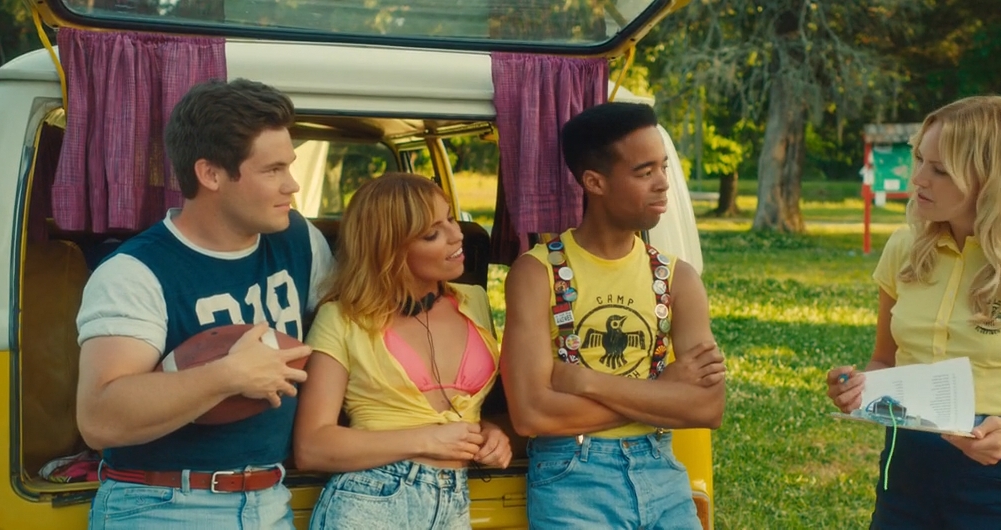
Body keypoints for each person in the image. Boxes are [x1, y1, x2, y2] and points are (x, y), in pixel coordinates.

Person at [826, 95, 1001, 529]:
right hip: (906, 478)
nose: (918, 178)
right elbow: (884, 360)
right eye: (920, 160)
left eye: (940, 170)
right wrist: (858, 388)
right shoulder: (905, 249)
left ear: (994, 179)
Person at [74, 78, 333, 529]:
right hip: (160, 505)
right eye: (272, 170)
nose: (291, 185)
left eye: (289, 167)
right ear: (211, 174)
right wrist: (228, 375)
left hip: (271, 498)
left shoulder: (300, 240)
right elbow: (98, 417)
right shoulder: (135, 272)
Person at [501, 102, 727, 529]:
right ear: (595, 182)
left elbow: (707, 407)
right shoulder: (536, 273)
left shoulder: (677, 277)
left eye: (663, 168)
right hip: (572, 478)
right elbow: (532, 414)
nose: (663, 184)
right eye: (644, 172)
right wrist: (661, 392)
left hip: (662, 472)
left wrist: (587, 382)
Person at [295, 172, 512, 530]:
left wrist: (488, 433)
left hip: (453, 501)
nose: (457, 235)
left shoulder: (473, 301)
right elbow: (312, 446)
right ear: (389, 249)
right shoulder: (341, 318)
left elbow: (464, 411)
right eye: (432, 233)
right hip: (371, 499)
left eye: (451, 219)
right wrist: (428, 439)